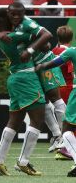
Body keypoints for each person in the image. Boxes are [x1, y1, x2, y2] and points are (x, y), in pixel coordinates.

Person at [0, 8, 46, 176]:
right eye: (7, 16)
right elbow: (43, 37)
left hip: (15, 78)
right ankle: (23, 161)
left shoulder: (4, 36)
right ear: (1, 21)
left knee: (14, 120)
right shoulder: (13, 36)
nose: (12, 18)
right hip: (26, 79)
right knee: (37, 119)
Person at [7, 2, 66, 153]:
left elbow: (46, 37)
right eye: (12, 13)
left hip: (45, 61)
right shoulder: (12, 27)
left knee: (55, 98)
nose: (15, 16)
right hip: (33, 68)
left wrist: (31, 48)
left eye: (18, 13)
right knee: (42, 101)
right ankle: (58, 135)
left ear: (23, 13)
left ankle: (65, 137)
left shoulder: (28, 23)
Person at [35, 29, 76, 177]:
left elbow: (54, 64)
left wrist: (38, 67)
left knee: (67, 127)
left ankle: (63, 146)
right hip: (67, 88)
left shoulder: (69, 51)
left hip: (67, 88)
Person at [52, 26, 74, 160]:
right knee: (71, 119)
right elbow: (71, 70)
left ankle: (63, 146)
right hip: (69, 87)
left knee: (67, 120)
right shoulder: (70, 52)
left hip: (55, 88)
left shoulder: (53, 51)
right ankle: (65, 148)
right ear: (71, 39)